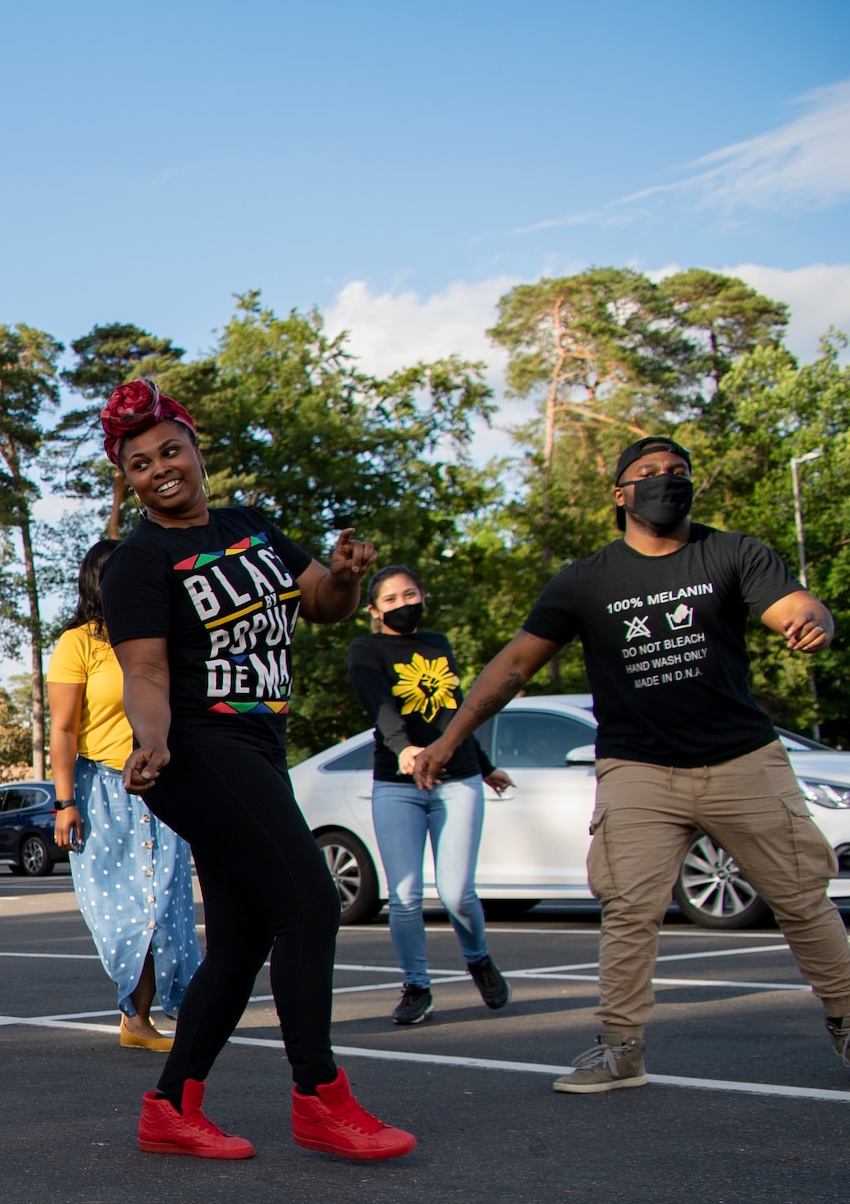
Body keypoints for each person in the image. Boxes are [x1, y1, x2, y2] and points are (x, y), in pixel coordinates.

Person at [413, 436, 850, 1091]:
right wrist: (451, 739)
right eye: (648, 474)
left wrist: (815, 620)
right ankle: (621, 1049)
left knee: (802, 900)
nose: (666, 481)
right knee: (627, 910)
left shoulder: (732, 552)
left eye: (678, 472)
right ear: (620, 493)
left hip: (743, 761)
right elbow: (512, 666)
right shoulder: (586, 580)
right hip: (639, 771)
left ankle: (846, 1019)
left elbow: (796, 606)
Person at [96, 379, 416, 1162]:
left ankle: (170, 1106)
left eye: (171, 450)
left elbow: (322, 603)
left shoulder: (252, 528)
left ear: (197, 450)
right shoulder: (140, 559)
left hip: (259, 745)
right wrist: (154, 739)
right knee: (308, 902)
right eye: (140, 464)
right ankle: (320, 1098)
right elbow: (144, 669)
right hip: (197, 749)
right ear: (128, 480)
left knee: (240, 939)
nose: (160, 469)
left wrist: (342, 573)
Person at [49, 537, 202, 1050]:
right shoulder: (79, 644)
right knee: (124, 910)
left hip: (163, 784)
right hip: (102, 791)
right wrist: (65, 803)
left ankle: (171, 1012)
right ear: (101, 581)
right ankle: (135, 1018)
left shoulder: (158, 638)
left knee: (168, 905)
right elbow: (64, 729)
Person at [347, 566, 515, 1026]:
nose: (404, 604)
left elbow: (452, 713)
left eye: (411, 594)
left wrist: (484, 766)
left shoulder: (439, 644)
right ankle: (417, 986)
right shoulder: (367, 649)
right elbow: (379, 704)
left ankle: (478, 958)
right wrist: (403, 749)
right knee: (403, 895)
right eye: (392, 599)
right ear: (375, 610)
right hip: (398, 784)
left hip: (456, 779)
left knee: (458, 893)